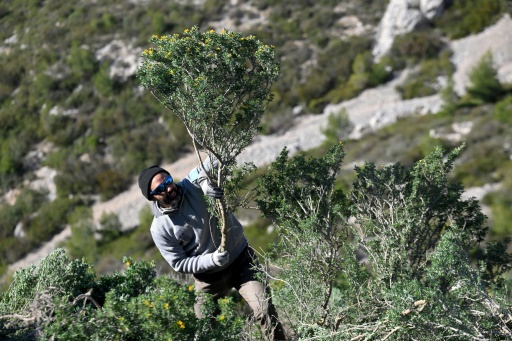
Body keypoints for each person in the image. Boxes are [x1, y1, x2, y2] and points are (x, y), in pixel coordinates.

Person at [138, 160, 286, 340]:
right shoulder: (159, 228)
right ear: (152, 196)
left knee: (264, 310)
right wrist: (212, 260)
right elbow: (179, 263)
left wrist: (205, 182)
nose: (169, 188)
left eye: (168, 181)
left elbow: (209, 162)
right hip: (208, 279)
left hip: (241, 261)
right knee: (203, 330)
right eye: (160, 188)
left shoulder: (189, 185)